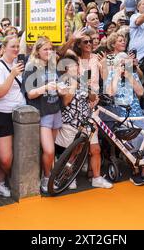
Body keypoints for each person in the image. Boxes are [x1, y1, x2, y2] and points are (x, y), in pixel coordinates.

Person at [55, 54, 113, 189]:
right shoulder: (62, 82)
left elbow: (92, 98)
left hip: (87, 121)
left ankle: (97, 178)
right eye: (73, 65)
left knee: (96, 149)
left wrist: (90, 90)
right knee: (74, 152)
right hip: (72, 123)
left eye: (77, 65)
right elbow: (66, 100)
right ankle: (69, 177)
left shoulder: (82, 81)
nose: (76, 67)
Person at [104, 52, 144, 186]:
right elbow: (110, 93)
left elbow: (140, 92)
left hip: (136, 113)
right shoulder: (111, 76)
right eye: (121, 63)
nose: (123, 65)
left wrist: (129, 76)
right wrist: (117, 75)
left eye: (125, 63)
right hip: (120, 116)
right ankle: (135, 170)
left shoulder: (132, 75)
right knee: (132, 140)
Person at [22, 37, 62, 193]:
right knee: (49, 151)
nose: (49, 52)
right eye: (45, 49)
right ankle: (46, 179)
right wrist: (45, 87)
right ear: (37, 51)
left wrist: (61, 88)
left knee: (50, 152)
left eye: (51, 49)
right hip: (42, 112)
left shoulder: (52, 66)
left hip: (55, 109)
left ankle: (48, 175)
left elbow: (57, 84)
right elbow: (30, 94)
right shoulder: (31, 67)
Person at [0, 35, 26, 198]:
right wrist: (12, 74)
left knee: (13, 153)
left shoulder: (17, 65)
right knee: (5, 158)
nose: (17, 49)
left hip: (19, 115)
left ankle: (0, 183)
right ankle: (18, 179)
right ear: (3, 48)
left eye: (18, 46)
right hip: (0, 115)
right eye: (13, 46)